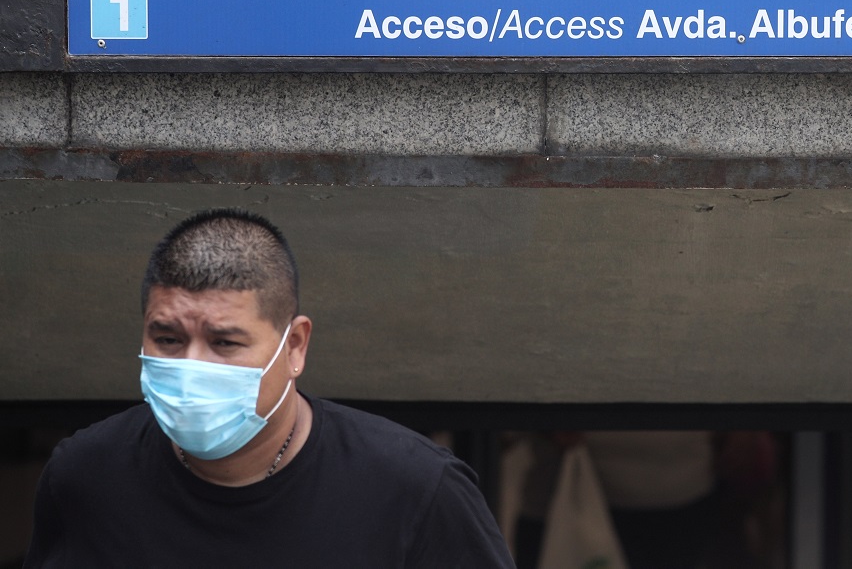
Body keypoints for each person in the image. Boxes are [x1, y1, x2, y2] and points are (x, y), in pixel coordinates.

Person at [24, 208, 515, 568]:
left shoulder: (414, 490)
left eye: (225, 342)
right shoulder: (86, 475)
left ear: (295, 346)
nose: (193, 367)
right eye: (168, 339)